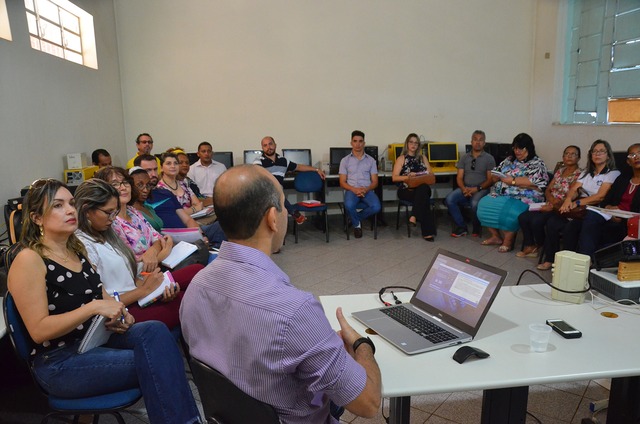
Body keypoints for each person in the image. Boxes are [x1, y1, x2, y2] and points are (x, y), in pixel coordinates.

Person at [180, 165, 381, 424]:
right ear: (272, 218)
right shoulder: (295, 311)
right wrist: (362, 346)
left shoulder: (197, 286)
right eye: (285, 206)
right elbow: (369, 404)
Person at [7, 178, 200, 424]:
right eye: (57, 206)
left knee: (154, 331)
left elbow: (102, 295)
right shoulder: (29, 259)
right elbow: (38, 330)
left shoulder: (75, 249)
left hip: (93, 340)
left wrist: (120, 314)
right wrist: (95, 307)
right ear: (36, 218)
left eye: (71, 203)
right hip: (60, 362)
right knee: (158, 358)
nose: (69, 210)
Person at [74, 177, 203, 329]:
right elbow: (104, 303)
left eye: (114, 212)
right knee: (193, 301)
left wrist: (147, 283)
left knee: (196, 274)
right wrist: (145, 289)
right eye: (108, 213)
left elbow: (129, 274)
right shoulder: (84, 245)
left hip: (138, 292)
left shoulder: (106, 233)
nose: (112, 218)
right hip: (124, 308)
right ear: (87, 210)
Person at [539, 140, 620, 270]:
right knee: (562, 225)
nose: (597, 154)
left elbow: (600, 196)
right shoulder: (587, 172)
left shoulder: (612, 173)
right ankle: (564, 262)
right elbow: (574, 189)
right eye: (594, 151)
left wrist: (576, 202)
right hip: (582, 210)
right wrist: (567, 201)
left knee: (584, 223)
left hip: (599, 210)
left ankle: (585, 264)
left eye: (601, 151)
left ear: (608, 155)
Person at [477, 133, 549, 252]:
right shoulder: (509, 160)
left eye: (520, 148)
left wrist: (513, 181)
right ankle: (496, 236)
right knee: (483, 205)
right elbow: (496, 172)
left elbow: (537, 182)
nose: (517, 151)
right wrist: (495, 176)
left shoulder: (537, 163)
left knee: (510, 212)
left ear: (529, 148)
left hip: (525, 195)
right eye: (515, 148)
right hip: (502, 193)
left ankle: (508, 241)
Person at [570, 143, 640, 261]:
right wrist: (609, 209)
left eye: (639, 153)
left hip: (633, 221)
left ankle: (587, 262)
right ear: (628, 162)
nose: (637, 157)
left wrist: (622, 214)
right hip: (612, 215)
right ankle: (583, 262)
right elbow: (606, 200)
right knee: (579, 222)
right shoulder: (623, 179)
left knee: (589, 223)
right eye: (632, 155)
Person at [515, 145, 582, 259]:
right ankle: (531, 245)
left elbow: (573, 194)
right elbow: (548, 189)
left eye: (573, 154)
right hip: (550, 203)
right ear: (563, 156)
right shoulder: (560, 171)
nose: (569, 156)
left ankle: (541, 245)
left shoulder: (580, 174)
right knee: (523, 217)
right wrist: (550, 201)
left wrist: (554, 205)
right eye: (567, 153)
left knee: (537, 221)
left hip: (561, 207)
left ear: (579, 158)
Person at [255, 136, 325, 224]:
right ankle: (294, 213)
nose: (268, 147)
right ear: (262, 148)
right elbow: (256, 177)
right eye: (265, 145)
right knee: (274, 191)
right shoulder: (258, 161)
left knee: (278, 193)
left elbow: (298, 167)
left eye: (270, 144)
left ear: (275, 145)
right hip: (264, 194)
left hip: (277, 195)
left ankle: (292, 214)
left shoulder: (283, 161)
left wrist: (316, 170)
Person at [444, 130, 495, 237]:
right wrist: (463, 189)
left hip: (482, 189)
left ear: (484, 143)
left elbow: (490, 179)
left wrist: (477, 188)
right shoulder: (464, 158)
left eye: (481, 140)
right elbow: (459, 177)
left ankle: (477, 227)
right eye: (475, 139)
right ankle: (462, 227)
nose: (478, 142)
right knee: (449, 199)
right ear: (471, 142)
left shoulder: (489, 158)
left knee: (474, 203)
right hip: (465, 188)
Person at [391, 133, 436, 241]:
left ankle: (414, 215)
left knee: (423, 189)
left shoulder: (423, 157)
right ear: (407, 144)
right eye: (411, 142)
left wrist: (419, 175)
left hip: (422, 188)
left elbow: (430, 175)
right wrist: (407, 177)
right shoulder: (401, 158)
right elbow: (394, 178)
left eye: (416, 143)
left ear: (418, 145)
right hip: (406, 190)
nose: (413, 145)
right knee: (423, 198)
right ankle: (428, 233)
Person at [339, 130, 381, 239]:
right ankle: (357, 226)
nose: (358, 144)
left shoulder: (371, 161)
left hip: (367, 190)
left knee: (376, 207)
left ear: (364, 143)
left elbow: (375, 182)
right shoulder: (345, 161)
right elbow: (342, 182)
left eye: (360, 141)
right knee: (349, 205)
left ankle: (354, 219)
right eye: (355, 141)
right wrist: (354, 189)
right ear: (351, 143)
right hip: (352, 190)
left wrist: (365, 189)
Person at [129, 166, 165, 231]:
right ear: (130, 186)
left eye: (148, 185)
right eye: (140, 185)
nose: (145, 190)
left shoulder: (148, 208)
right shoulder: (130, 211)